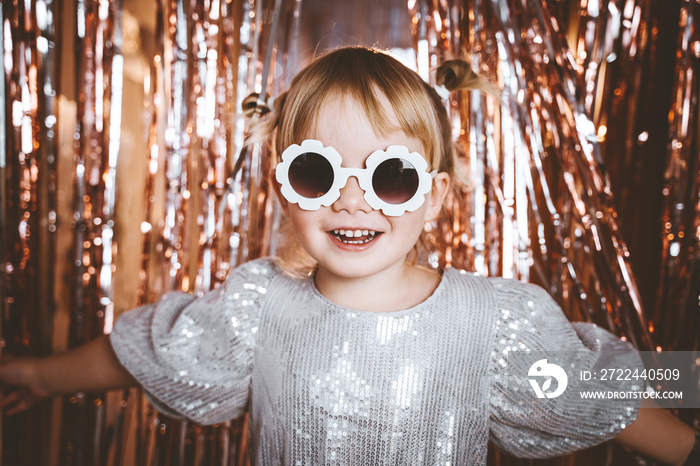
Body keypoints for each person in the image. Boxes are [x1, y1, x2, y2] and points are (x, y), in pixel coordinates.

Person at [0, 47, 696, 465]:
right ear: (284, 187)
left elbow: (606, 394)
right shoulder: (257, 306)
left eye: (390, 176)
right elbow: (143, 353)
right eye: (318, 174)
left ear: (434, 195)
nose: (354, 201)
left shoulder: (494, 320)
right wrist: (41, 374)